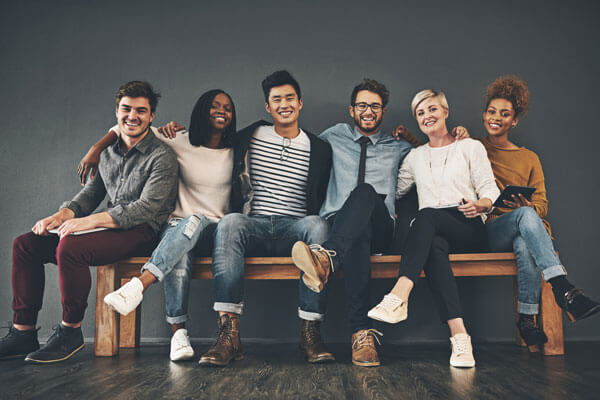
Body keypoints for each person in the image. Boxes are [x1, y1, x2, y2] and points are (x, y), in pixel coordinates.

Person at [0, 81, 178, 363]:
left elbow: (145, 209)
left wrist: (88, 223)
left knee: (71, 248)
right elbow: (91, 194)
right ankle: (24, 332)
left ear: (152, 116)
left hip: (142, 231)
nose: (132, 116)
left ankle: (70, 331)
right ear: (116, 111)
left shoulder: (162, 156)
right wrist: (62, 215)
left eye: (141, 111)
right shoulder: (108, 153)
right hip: (108, 226)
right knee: (25, 245)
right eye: (126, 109)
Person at [166, 71, 332, 366]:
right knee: (229, 221)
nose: (284, 104)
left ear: (300, 103)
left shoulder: (319, 147)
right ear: (268, 108)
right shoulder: (249, 136)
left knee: (318, 225)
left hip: (294, 229)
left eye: (290, 98)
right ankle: (229, 334)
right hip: (251, 225)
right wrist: (174, 130)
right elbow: (208, 141)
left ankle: (311, 332)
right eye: (276, 99)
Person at [76, 89, 237, 361]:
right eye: (214, 105)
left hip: (216, 230)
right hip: (175, 230)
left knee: (195, 220)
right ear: (201, 110)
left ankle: (139, 285)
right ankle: (179, 336)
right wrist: (96, 148)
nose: (221, 110)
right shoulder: (179, 140)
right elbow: (128, 126)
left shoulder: (236, 149)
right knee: (180, 252)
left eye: (228, 108)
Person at [368, 89, 500, 368]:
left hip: (469, 226)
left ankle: (399, 294)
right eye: (420, 112)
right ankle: (460, 338)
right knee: (434, 248)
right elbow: (395, 190)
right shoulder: (415, 156)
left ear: (445, 112)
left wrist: (480, 205)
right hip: (433, 234)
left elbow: (490, 190)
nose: (427, 116)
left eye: (432, 109)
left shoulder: (470, 146)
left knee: (425, 215)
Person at [290, 79, 415, 367]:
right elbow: (296, 141)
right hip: (340, 225)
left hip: (382, 226)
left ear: (383, 111)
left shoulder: (397, 146)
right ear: (351, 109)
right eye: (362, 105)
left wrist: (411, 135)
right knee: (357, 236)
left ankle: (327, 258)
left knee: (365, 192)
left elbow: (432, 153)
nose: (368, 111)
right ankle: (361, 334)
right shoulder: (333, 136)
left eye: (375, 106)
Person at [479, 76, 599, 345]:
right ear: (484, 114)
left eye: (505, 114)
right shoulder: (473, 147)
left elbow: (542, 205)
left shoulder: (529, 158)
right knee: (525, 220)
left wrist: (529, 206)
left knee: (525, 242)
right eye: (491, 111)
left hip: (525, 228)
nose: (496, 118)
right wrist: (406, 136)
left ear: (515, 121)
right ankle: (563, 288)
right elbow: (435, 153)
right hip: (491, 230)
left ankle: (527, 320)